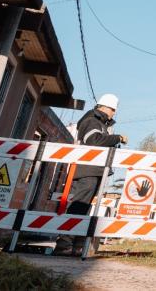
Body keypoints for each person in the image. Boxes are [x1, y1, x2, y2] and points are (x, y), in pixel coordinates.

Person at [53, 93, 126, 256]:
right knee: (79, 206)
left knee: (84, 208)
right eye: (114, 110)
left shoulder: (98, 122)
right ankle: (64, 243)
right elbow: (94, 140)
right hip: (88, 171)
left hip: (92, 171)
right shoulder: (92, 121)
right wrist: (117, 138)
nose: (114, 114)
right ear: (107, 108)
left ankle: (76, 244)